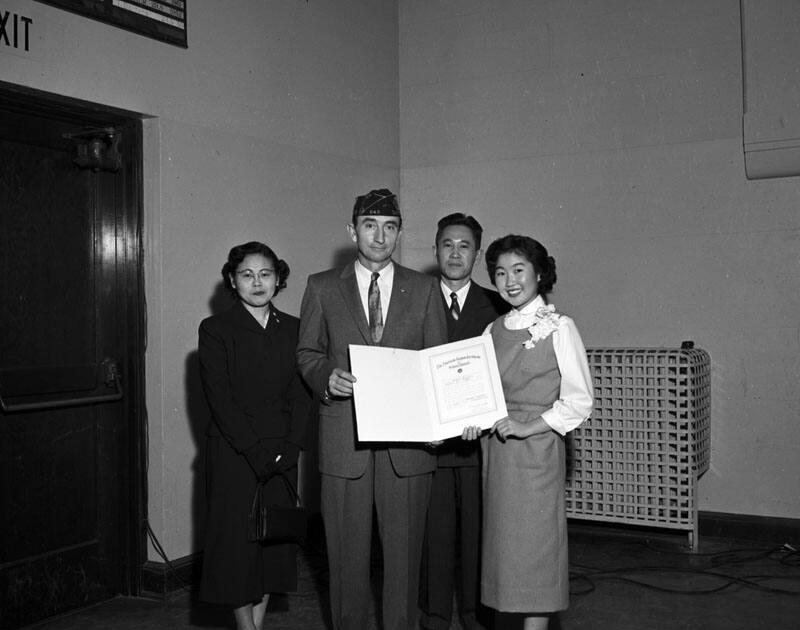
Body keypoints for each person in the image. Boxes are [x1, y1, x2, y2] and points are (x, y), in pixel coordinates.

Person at [296, 188, 448, 630]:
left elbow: (436, 363)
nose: (380, 237)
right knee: (345, 559)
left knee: (403, 561)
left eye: (389, 227)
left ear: (399, 233)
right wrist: (326, 377)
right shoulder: (321, 287)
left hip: (409, 447)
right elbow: (307, 352)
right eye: (370, 225)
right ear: (352, 231)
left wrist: (438, 421)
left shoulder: (423, 288)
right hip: (346, 444)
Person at [462, 235, 593, 630]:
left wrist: (525, 427)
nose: (509, 280)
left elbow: (579, 401)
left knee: (536, 558)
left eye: (518, 270)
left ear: (539, 273)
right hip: (498, 455)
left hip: (536, 453)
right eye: (500, 272)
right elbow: (482, 394)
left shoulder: (559, 326)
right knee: (503, 556)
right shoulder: (492, 329)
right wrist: (471, 420)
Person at [198, 241, 311, 630]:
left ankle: (256, 627)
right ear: (232, 280)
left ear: (278, 279)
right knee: (237, 551)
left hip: (281, 454)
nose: (257, 282)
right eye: (247, 275)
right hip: (235, 454)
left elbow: (301, 394)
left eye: (265, 274)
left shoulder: (295, 328)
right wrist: (254, 452)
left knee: (271, 549)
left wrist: (293, 447)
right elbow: (220, 400)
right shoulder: (216, 329)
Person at [419, 213, 509, 630]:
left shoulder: (497, 305)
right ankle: (434, 615)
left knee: (478, 535)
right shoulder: (414, 298)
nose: (455, 254)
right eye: (447, 245)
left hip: (480, 445)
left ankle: (477, 615)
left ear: (477, 254)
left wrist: (486, 418)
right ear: (435, 250)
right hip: (429, 447)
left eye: (465, 246)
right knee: (433, 537)